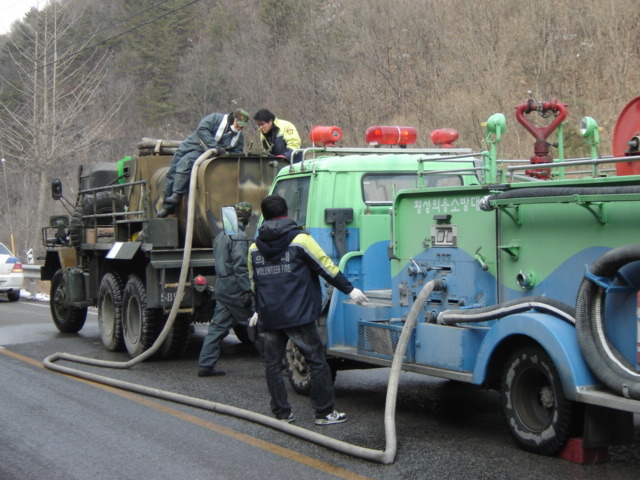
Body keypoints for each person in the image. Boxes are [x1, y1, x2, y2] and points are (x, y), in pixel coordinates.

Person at [247, 194, 368, 424]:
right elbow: (326, 266)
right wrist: (350, 290)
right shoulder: (301, 240)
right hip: (298, 313)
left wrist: (256, 309)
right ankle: (324, 413)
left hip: (270, 314)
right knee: (316, 361)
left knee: (273, 365)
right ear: (286, 213)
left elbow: (254, 281)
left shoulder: (254, 246)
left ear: (264, 215)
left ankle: (282, 415)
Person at [157, 109, 250, 218]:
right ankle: (168, 206)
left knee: (185, 162)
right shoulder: (215, 118)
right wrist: (215, 146)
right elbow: (202, 130)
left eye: (242, 126)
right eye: (238, 124)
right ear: (233, 118)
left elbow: (238, 153)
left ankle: (177, 195)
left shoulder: (239, 137)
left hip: (206, 156)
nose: (239, 127)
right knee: (173, 171)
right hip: (192, 146)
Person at [197, 202, 254, 377]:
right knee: (255, 323)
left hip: (222, 287)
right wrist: (247, 290)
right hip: (235, 289)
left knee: (217, 328)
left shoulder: (221, 235)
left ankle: (205, 364)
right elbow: (240, 265)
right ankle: (276, 362)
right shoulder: (238, 236)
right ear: (247, 217)